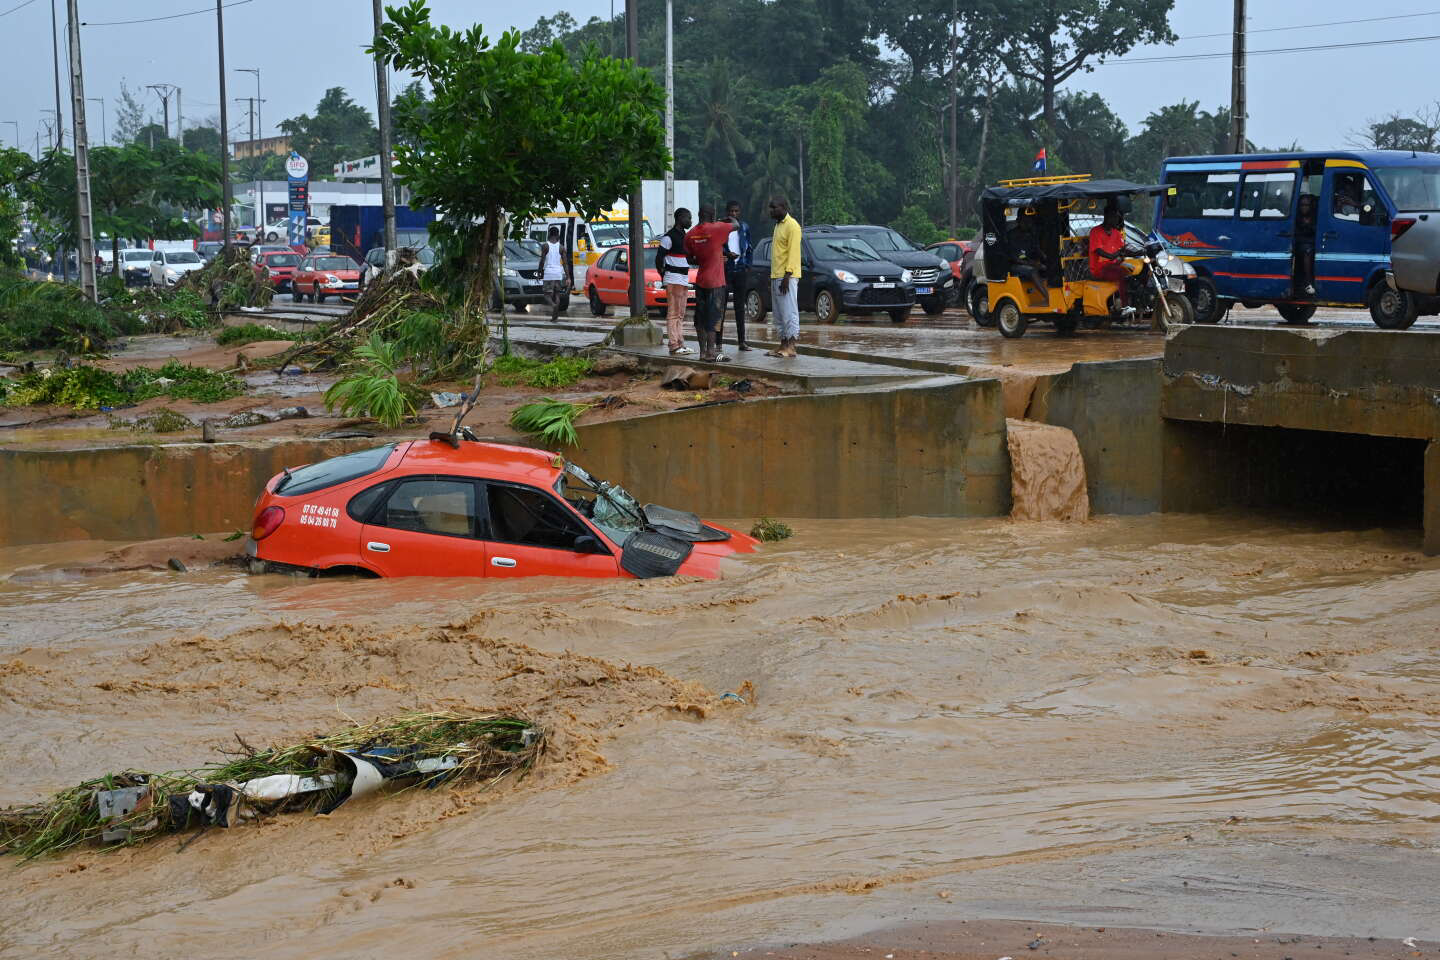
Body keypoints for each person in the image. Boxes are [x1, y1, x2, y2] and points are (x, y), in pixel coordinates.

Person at [684, 204, 735, 362]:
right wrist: (726, 219)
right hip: (716, 282)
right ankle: (711, 353)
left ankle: (702, 352)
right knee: (713, 318)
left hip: (700, 280)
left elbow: (689, 258)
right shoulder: (717, 228)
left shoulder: (691, 234)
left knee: (700, 318)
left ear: (699, 215)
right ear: (712, 215)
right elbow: (736, 225)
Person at [767, 195, 802, 358]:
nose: (771, 211)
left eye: (774, 208)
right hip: (776, 275)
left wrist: (787, 276)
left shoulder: (792, 226)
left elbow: (794, 253)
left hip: (787, 276)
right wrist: (774, 277)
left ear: (784, 207)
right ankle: (782, 345)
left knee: (789, 312)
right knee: (779, 314)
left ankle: (791, 347)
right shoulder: (778, 226)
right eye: (771, 208)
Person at [656, 208, 694, 355]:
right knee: (673, 313)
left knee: (680, 314)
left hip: (683, 279)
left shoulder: (685, 236)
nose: (690, 221)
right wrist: (663, 276)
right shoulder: (668, 237)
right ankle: (673, 345)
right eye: (688, 218)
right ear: (680, 218)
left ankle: (680, 343)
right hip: (673, 278)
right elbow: (659, 259)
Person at [1088, 201, 1132, 315]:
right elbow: (1098, 250)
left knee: (1134, 272)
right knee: (1121, 273)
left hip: (1113, 266)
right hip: (1100, 268)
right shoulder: (1095, 231)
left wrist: (1138, 252)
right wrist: (1114, 255)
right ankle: (1124, 306)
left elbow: (1123, 249)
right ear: (1107, 217)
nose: (1117, 220)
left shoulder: (1116, 233)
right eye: (1115, 217)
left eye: (1118, 218)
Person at [723, 200, 753, 351]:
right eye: (731, 211)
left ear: (739, 212)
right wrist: (726, 255)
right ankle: (718, 343)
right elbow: (718, 247)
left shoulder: (744, 227)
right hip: (725, 270)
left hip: (740, 270)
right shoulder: (721, 227)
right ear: (727, 212)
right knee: (721, 307)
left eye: (736, 211)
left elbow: (749, 247)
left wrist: (747, 265)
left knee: (740, 307)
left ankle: (742, 341)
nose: (734, 214)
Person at [538, 225, 570, 322]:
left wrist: (539, 272)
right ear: (558, 235)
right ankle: (554, 317)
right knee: (557, 294)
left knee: (547, 295)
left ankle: (553, 305)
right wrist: (568, 277)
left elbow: (542, 261)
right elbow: (565, 263)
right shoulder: (561, 247)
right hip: (558, 274)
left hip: (548, 273)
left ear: (549, 234)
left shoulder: (545, 246)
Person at [1293, 193, 1317, 298]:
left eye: (1306, 205)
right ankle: (1308, 282)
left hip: (1312, 242)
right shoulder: (1296, 216)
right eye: (1302, 205)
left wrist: (1309, 226)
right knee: (1307, 251)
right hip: (1300, 243)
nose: (1304, 207)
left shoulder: (1314, 216)